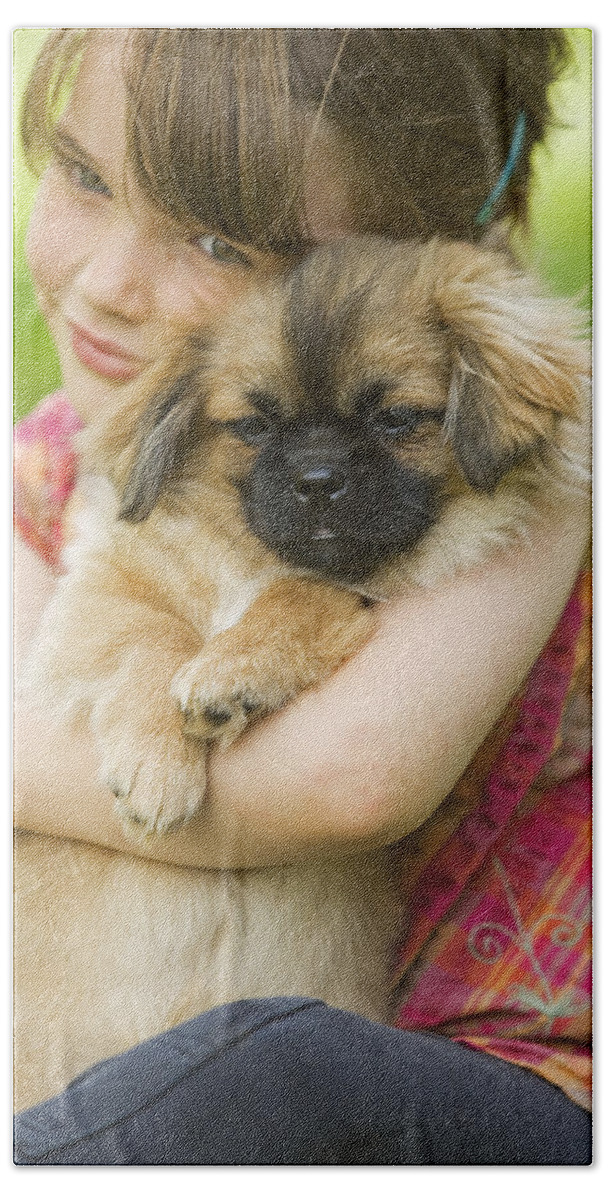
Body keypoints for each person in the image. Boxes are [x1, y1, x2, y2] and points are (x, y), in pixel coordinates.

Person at [13, 29, 591, 1165]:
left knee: (277, 1066)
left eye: (217, 235)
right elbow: (41, 697)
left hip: (491, 1088)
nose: (111, 282)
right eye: (82, 174)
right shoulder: (53, 463)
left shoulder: (548, 463)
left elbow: (349, 780)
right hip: (149, 1058)